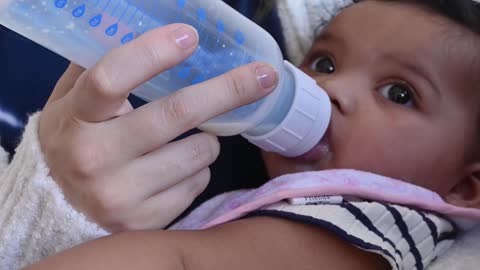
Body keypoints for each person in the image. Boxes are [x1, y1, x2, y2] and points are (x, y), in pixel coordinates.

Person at [1, 0, 480, 269]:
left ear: (465, 186)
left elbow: (180, 263)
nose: (329, 90)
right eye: (325, 63)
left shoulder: (364, 226)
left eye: (399, 94)